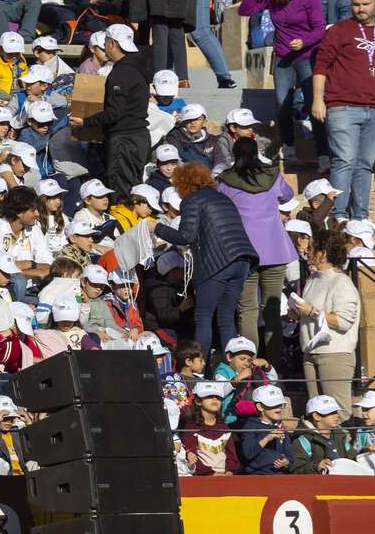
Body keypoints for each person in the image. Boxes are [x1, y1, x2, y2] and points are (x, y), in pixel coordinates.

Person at [152, 162, 258, 359]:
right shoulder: (224, 198)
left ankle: (198, 370)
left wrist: (156, 228)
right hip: (242, 259)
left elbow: (186, 236)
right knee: (226, 318)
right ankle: (232, 367)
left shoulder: (192, 200)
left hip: (217, 262)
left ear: (183, 183)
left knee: (203, 317)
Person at [214, 137, 296, 366]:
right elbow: (288, 196)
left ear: (234, 153)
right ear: (256, 153)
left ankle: (249, 366)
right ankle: (274, 367)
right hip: (274, 249)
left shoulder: (227, 180)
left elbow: (219, 206)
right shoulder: (272, 175)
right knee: (271, 310)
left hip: (242, 251)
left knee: (247, 309)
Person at [239, 0, 327, 167]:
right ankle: (288, 146)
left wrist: (304, 41)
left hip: (307, 56)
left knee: (312, 104)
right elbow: (244, 10)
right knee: (282, 104)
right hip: (282, 56)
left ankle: (323, 152)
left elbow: (319, 28)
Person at [311, 0, 375, 222]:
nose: (360, 9)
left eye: (365, 4)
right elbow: (321, 66)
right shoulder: (339, 30)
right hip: (343, 106)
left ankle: (360, 217)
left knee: (365, 164)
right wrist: (318, 99)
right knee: (345, 160)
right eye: (356, 4)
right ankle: (338, 214)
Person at [69, 24, 149, 201]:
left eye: (106, 42)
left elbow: (115, 113)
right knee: (133, 189)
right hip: (138, 138)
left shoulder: (120, 73)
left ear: (112, 43)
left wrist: (85, 121)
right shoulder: (140, 66)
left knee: (121, 193)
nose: (105, 47)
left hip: (124, 140)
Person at [293, 229, 360, 414]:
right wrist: (297, 313)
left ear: (322, 254)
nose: (307, 251)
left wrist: (312, 311)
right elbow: (310, 312)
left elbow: (344, 321)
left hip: (335, 354)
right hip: (310, 353)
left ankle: (344, 442)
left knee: (337, 413)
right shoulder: (312, 280)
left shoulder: (342, 282)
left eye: (312, 248)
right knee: (316, 412)